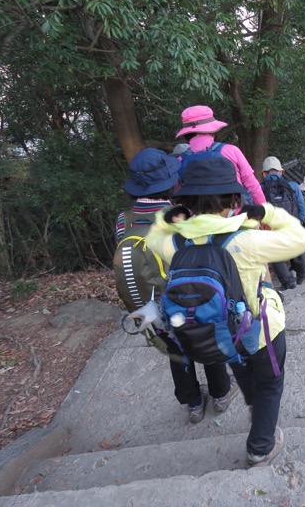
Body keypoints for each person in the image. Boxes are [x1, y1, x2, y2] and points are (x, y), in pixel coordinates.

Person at [146, 156, 305, 467]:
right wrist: (266, 212)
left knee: (244, 372)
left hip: (220, 335)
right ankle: (261, 446)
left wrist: (168, 218)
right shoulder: (246, 239)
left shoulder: (175, 244)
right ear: (234, 200)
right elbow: (302, 238)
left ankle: (255, 408)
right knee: (271, 383)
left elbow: (153, 238)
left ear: (187, 204)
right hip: (259, 330)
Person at [116, 148, 240, 424]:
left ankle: (193, 404)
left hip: (152, 306)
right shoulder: (180, 217)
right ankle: (220, 394)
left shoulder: (124, 220)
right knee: (206, 338)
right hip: (188, 297)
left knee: (175, 351)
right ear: (170, 182)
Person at [175, 105, 266, 206]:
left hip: (198, 218)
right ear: (212, 130)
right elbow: (252, 184)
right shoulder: (231, 151)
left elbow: (179, 194)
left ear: (186, 133)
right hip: (234, 215)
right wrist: (264, 212)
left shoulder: (179, 161)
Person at [260, 156, 305, 290]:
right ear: (281, 172)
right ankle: (302, 275)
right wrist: (301, 222)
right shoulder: (292, 186)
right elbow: (301, 206)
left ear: (264, 173)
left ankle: (288, 281)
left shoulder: (260, 188)